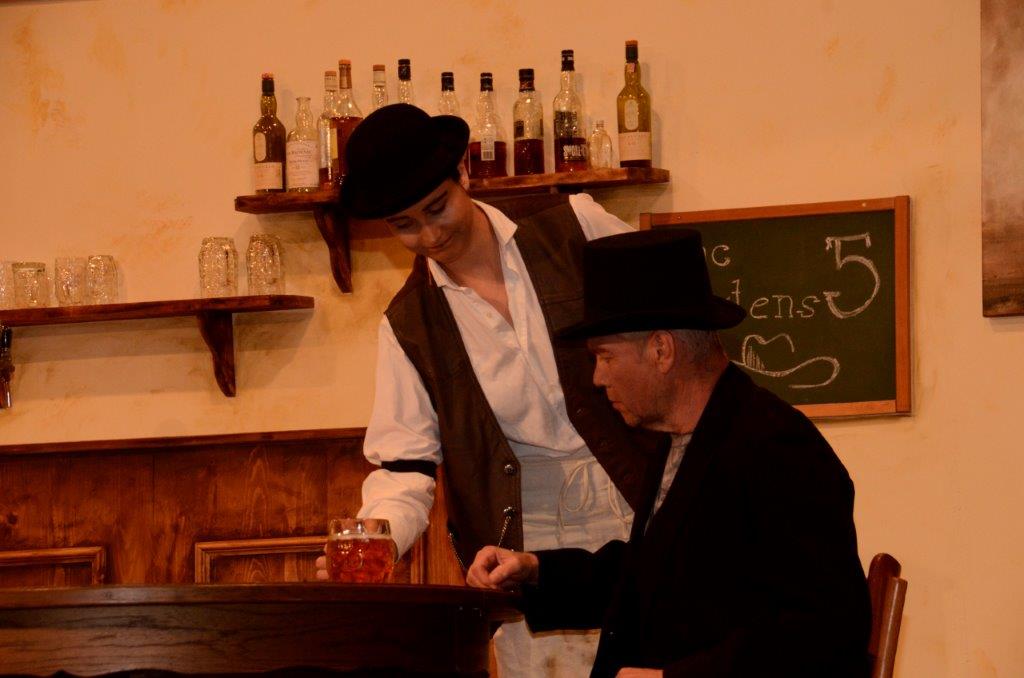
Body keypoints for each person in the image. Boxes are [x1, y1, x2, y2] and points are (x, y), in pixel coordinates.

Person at [316, 104, 665, 677]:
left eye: (438, 207)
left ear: (464, 172)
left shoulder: (574, 225)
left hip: (639, 495)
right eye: (405, 225)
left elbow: (672, 316)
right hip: (522, 539)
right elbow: (405, 470)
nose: (431, 235)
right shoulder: (408, 325)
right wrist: (380, 538)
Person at [466, 227, 872, 677]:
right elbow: (649, 578)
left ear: (661, 349)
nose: (598, 378)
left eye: (605, 356)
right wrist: (535, 570)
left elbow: (828, 628)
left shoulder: (775, 446)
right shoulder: (684, 438)